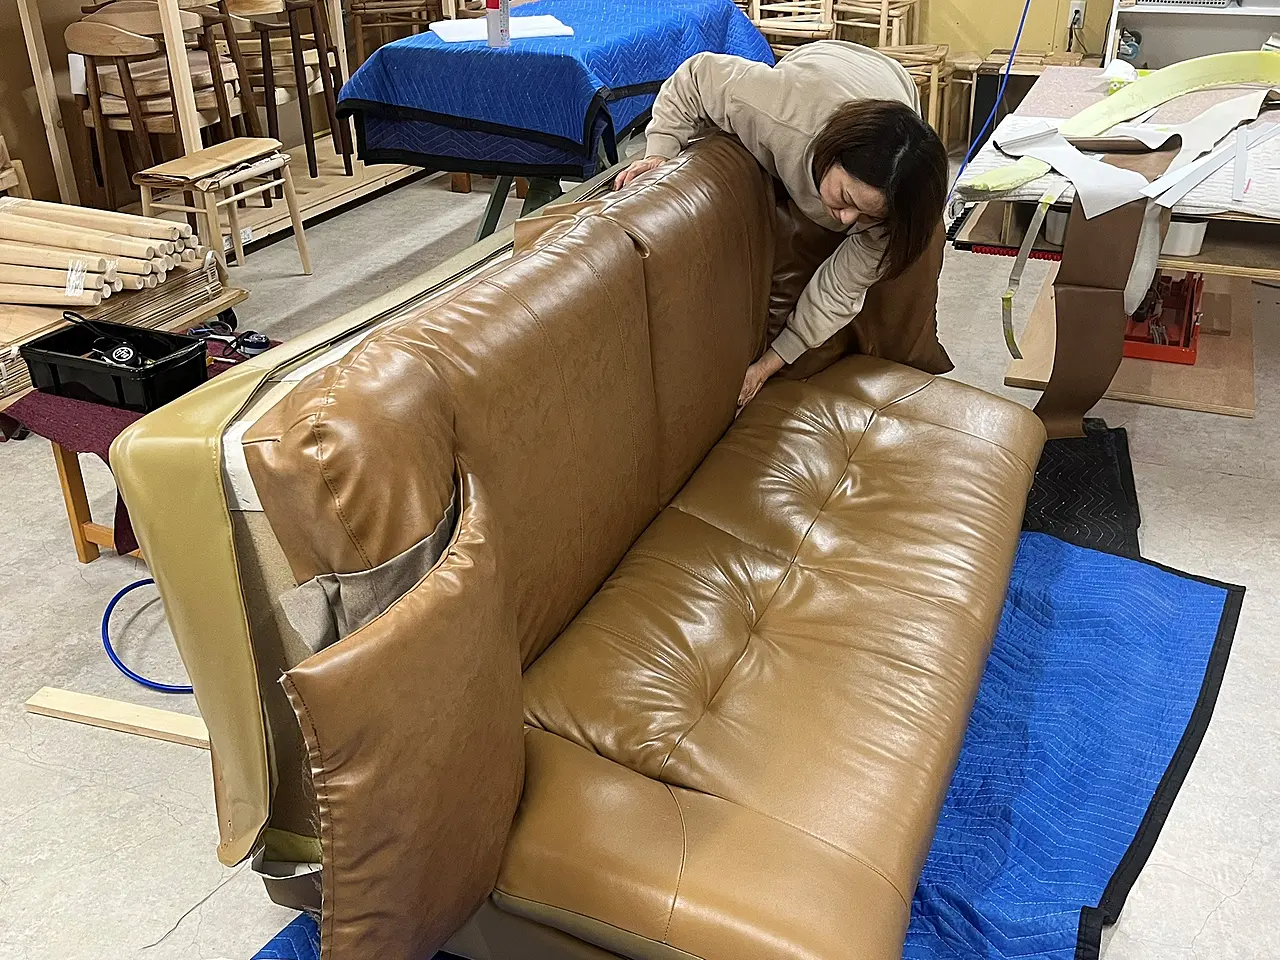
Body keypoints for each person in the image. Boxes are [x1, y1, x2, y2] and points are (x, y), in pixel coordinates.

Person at [615, 41, 949, 407]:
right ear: (833, 153)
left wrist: (767, 365)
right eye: (846, 198)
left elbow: (838, 291)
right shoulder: (778, 110)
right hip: (824, 62)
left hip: (893, 82)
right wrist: (660, 152)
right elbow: (695, 77)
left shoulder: (896, 212)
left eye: (869, 215)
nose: (847, 220)